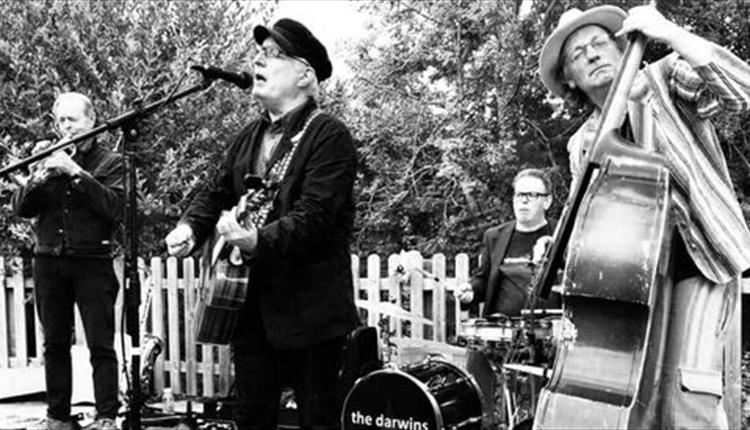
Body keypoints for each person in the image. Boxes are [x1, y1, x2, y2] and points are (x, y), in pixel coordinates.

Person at [538, 4, 750, 428]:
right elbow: (590, 216)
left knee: (688, 398)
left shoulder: (666, 78)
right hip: (632, 280)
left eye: (600, 43)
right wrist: (561, 242)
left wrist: (671, 33)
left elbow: (741, 91)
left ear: (621, 48)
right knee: (635, 398)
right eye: (578, 55)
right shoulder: (582, 142)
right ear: (569, 80)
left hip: (699, 257)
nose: (593, 55)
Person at [164, 18, 359, 429]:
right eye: (258, 53)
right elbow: (214, 192)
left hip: (313, 315)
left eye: (273, 54)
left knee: (317, 421)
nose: (258, 60)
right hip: (251, 310)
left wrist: (255, 241)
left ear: (305, 75)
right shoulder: (247, 136)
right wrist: (189, 229)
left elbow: (316, 218)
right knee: (251, 419)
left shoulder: (329, 135)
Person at [12, 92, 124, 430]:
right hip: (49, 261)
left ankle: (106, 415)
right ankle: (58, 416)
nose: (66, 128)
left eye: (72, 120)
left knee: (101, 345)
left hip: (92, 261)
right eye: (61, 121)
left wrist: (75, 171)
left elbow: (114, 209)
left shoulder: (111, 161)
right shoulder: (48, 158)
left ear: (91, 121)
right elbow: (22, 209)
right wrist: (37, 176)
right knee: (54, 344)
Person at [456, 168, 561, 317]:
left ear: (547, 201)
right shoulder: (494, 237)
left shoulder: (563, 235)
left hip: (554, 331)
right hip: (503, 331)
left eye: (531, 195)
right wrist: (471, 291)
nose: (524, 201)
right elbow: (483, 280)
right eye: (519, 195)